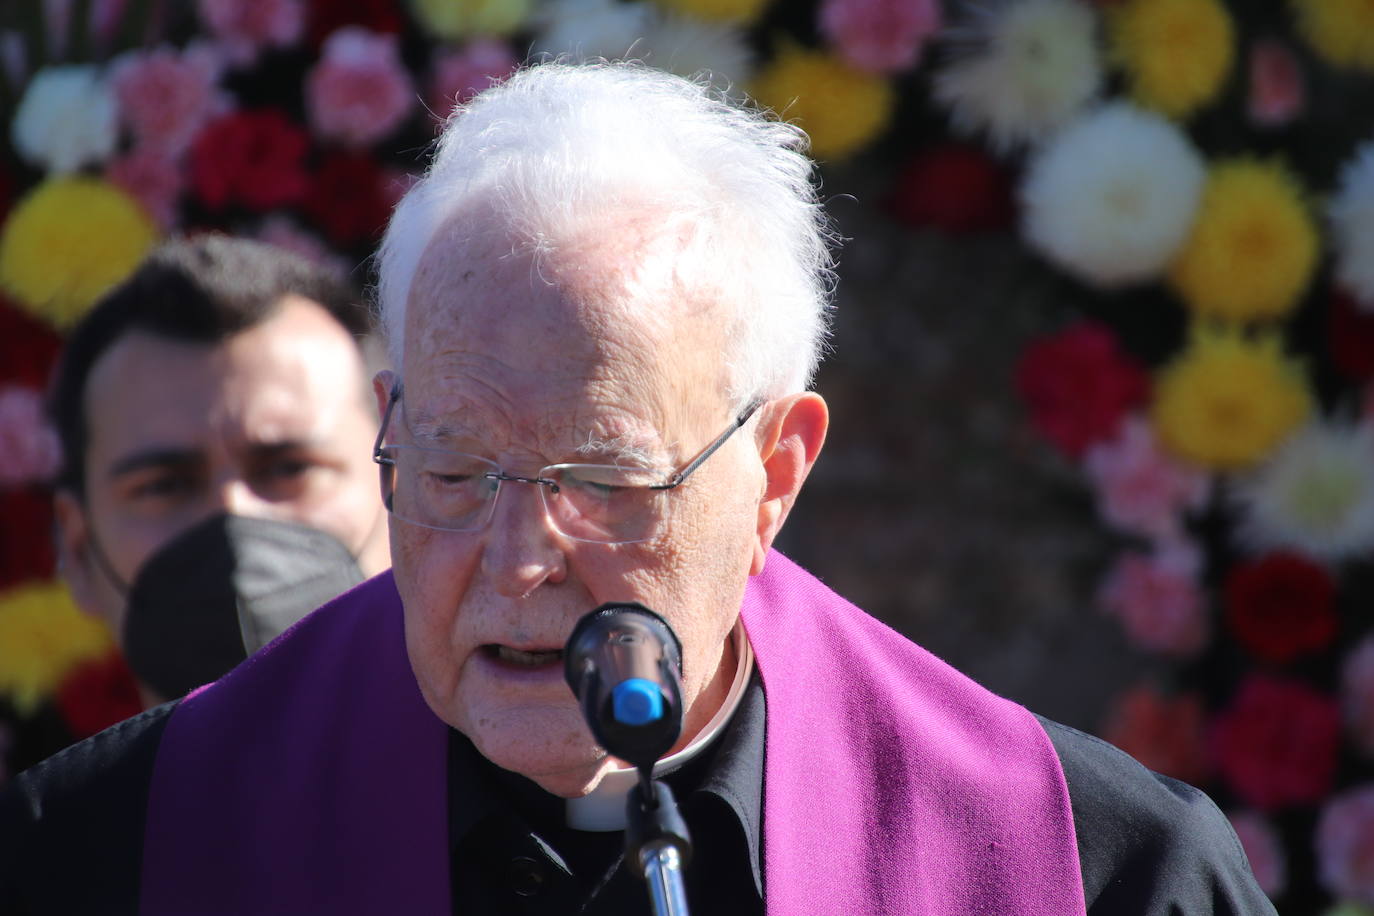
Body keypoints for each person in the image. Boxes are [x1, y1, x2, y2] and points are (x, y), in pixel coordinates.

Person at [1, 63, 1275, 915]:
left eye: (604, 479)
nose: (512, 562)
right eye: (450, 467)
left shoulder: (1096, 871)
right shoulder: (109, 851)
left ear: (775, 472)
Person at [46, 236, 391, 707]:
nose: (233, 513)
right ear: (78, 549)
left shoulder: (516, 779)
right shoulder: (48, 787)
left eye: (289, 468)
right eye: (165, 485)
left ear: (403, 492)